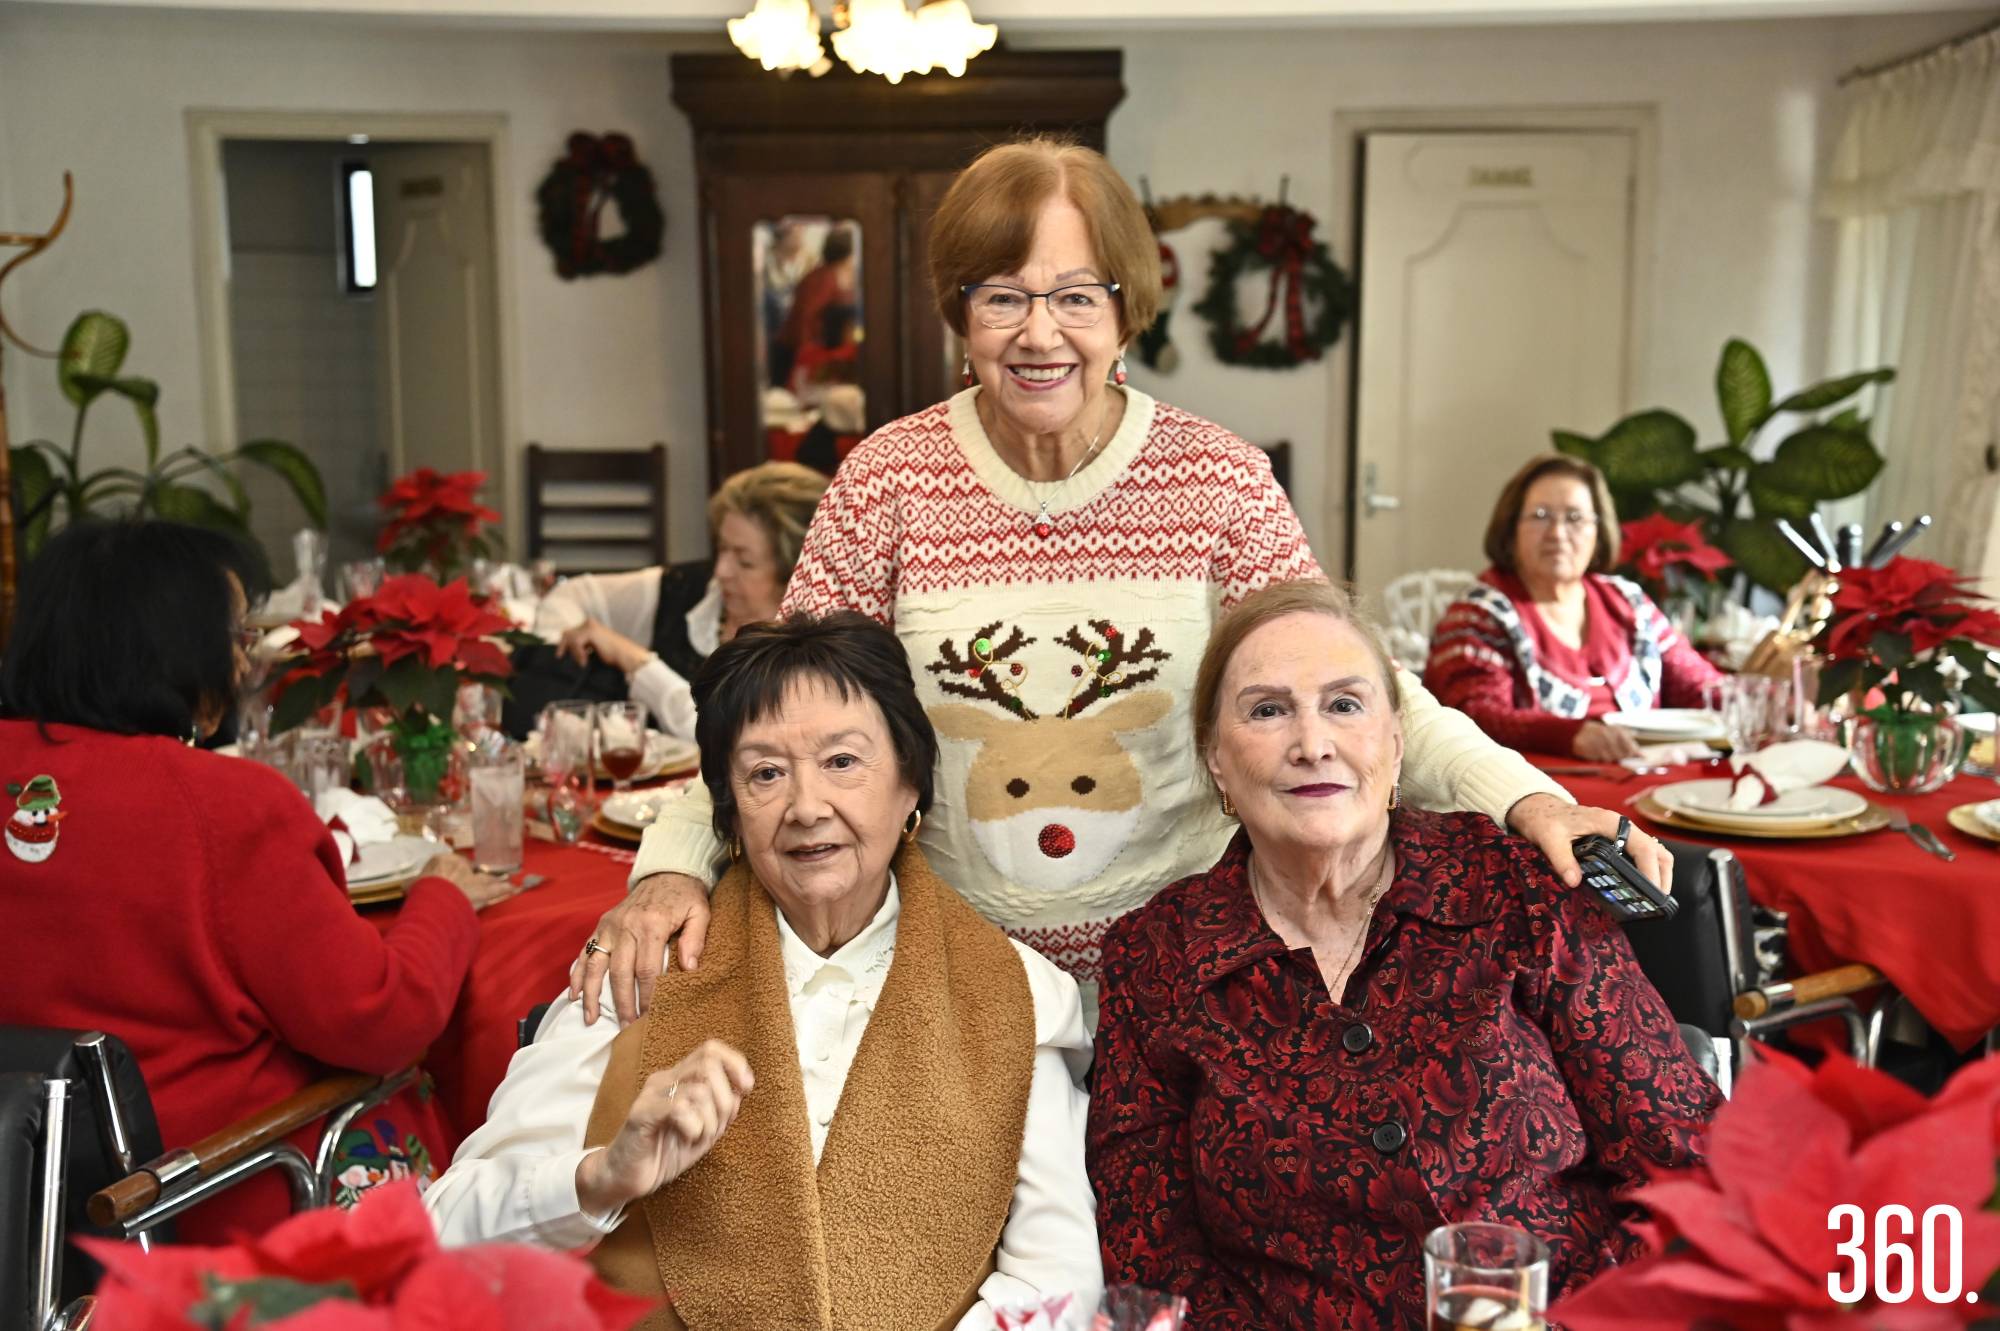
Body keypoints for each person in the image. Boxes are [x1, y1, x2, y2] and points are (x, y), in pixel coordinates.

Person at [574, 137, 1673, 1028]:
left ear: (1124, 310)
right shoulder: (886, 481)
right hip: (950, 984)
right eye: (1000, 296)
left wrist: (1531, 798)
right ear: (960, 318)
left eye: (1074, 296)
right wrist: (667, 869)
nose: (1037, 332)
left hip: (1194, 979)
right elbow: (772, 720)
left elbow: (1361, 696)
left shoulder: (1213, 479)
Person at [425, 613, 1098, 1329]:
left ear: (911, 787)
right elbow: (443, 1224)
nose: (807, 807)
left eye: (843, 761)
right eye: (766, 773)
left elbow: (1057, 1273)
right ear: (730, 812)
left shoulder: (1014, 992)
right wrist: (599, 1175)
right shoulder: (645, 970)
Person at [1089, 581, 1721, 1329]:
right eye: (1267, 710)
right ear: (1217, 762)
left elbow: (1691, 1165)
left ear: (1395, 745)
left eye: (1345, 704)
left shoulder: (1520, 892)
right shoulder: (1156, 955)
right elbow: (1152, 1253)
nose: (1312, 742)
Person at [0, 520, 513, 1243]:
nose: (243, 664)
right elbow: (382, 1016)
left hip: (29, 1223)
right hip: (211, 1198)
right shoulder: (219, 804)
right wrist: (444, 896)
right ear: (175, 647)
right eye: (235, 637)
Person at [1424, 454, 1725, 761]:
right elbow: (1475, 715)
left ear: (1598, 531)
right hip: (1538, 797)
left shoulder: (1628, 602)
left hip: (1647, 783)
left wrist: (1760, 699)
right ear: (1511, 528)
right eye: (1540, 516)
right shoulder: (1478, 614)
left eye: (1575, 518)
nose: (1557, 533)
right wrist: (1566, 736)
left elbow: (1700, 688)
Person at [507, 461, 829, 738]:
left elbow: (729, 739)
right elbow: (569, 595)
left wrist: (636, 662)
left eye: (744, 561)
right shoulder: (688, 591)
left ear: (794, 570)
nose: (721, 571)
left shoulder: (816, 644)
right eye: (722, 549)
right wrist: (564, 658)